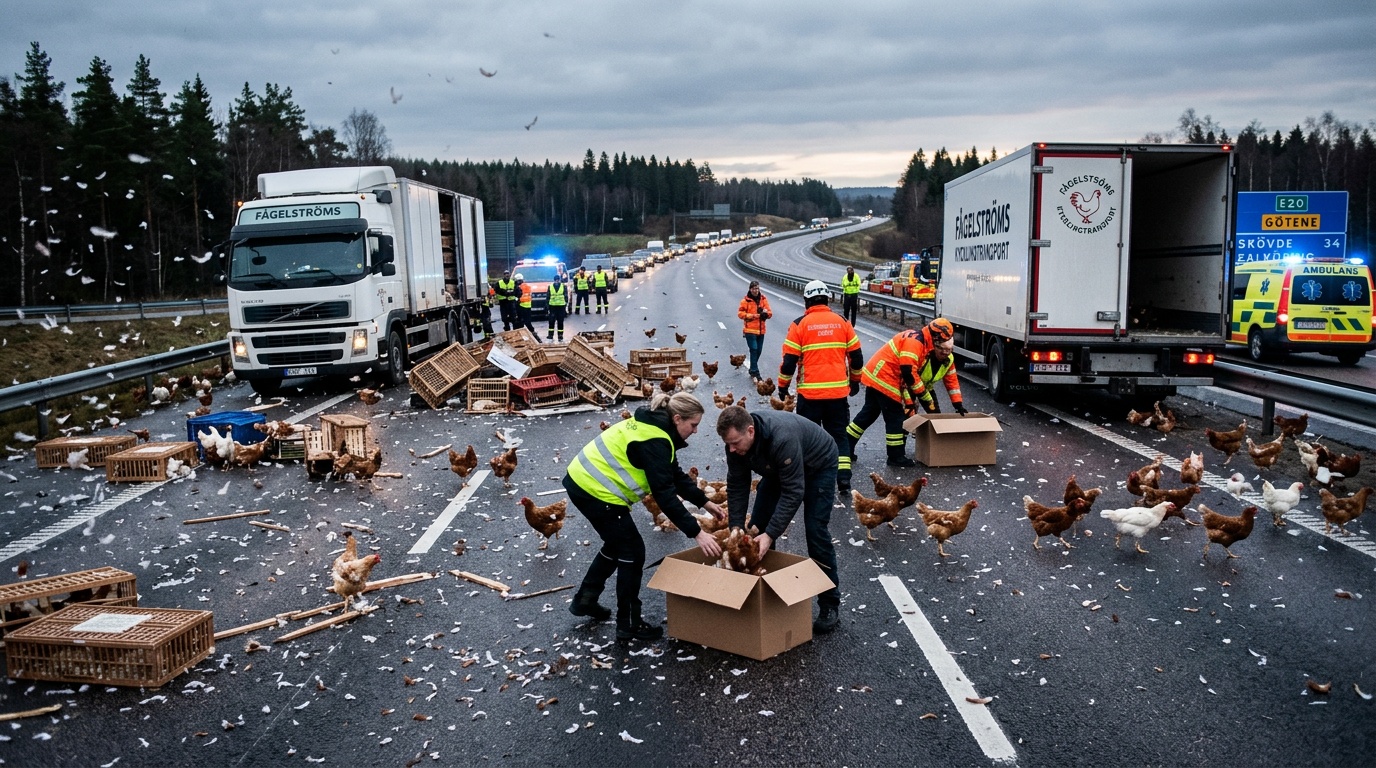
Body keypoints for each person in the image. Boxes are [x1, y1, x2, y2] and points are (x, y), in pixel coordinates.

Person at [564, 392, 725, 642]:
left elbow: (673, 475)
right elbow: (665, 495)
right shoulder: (655, 440)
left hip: (583, 481)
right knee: (632, 551)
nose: (695, 431)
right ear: (678, 418)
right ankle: (629, 623)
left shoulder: (657, 430)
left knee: (617, 544)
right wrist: (697, 533)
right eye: (693, 425)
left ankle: (586, 600)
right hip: (594, 489)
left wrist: (705, 502)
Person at [717, 405, 842, 634]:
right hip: (778, 468)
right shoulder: (734, 445)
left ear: (751, 431)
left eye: (735, 443)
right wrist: (735, 527)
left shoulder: (781, 438)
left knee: (815, 531)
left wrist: (772, 534)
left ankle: (829, 603)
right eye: (728, 444)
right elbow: (737, 484)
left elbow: (794, 491)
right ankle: (764, 594)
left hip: (817, 465)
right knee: (756, 530)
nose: (732, 449)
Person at [778, 280, 863, 494]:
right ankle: (843, 479)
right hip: (837, 394)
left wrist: (782, 386)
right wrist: (854, 381)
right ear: (828, 299)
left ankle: (812, 482)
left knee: (809, 439)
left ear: (806, 301)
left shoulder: (799, 325)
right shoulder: (842, 322)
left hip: (810, 396)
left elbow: (789, 362)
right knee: (839, 436)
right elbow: (857, 357)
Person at [844, 328, 928, 468]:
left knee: (868, 414)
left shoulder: (915, 338)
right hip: (884, 379)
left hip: (875, 375)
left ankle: (846, 446)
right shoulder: (917, 344)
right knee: (895, 418)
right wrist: (923, 400)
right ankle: (895, 456)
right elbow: (908, 374)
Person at [915, 320, 966, 416]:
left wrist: (958, 404)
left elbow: (952, 382)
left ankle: (929, 430)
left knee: (936, 416)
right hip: (911, 386)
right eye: (942, 350)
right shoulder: (923, 354)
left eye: (949, 350)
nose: (945, 353)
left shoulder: (949, 359)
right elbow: (908, 375)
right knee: (908, 415)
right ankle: (906, 430)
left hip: (926, 388)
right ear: (935, 347)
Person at [736, 281, 773, 381]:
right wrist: (752, 316)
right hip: (750, 330)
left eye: (757, 288)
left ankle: (753, 368)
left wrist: (766, 314)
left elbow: (769, 312)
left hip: (761, 330)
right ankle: (755, 372)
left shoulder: (763, 299)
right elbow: (740, 313)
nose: (755, 290)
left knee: (759, 351)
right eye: (753, 289)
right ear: (750, 289)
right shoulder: (745, 301)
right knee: (754, 349)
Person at [546, 276, 568, 342]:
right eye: (556, 280)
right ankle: (550, 335)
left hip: (561, 306)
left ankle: (560, 336)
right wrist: (547, 306)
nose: (557, 281)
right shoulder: (550, 287)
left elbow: (566, 296)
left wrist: (565, 305)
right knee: (551, 321)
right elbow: (548, 297)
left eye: (558, 280)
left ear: (559, 280)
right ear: (554, 280)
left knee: (560, 321)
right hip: (552, 307)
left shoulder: (563, 286)